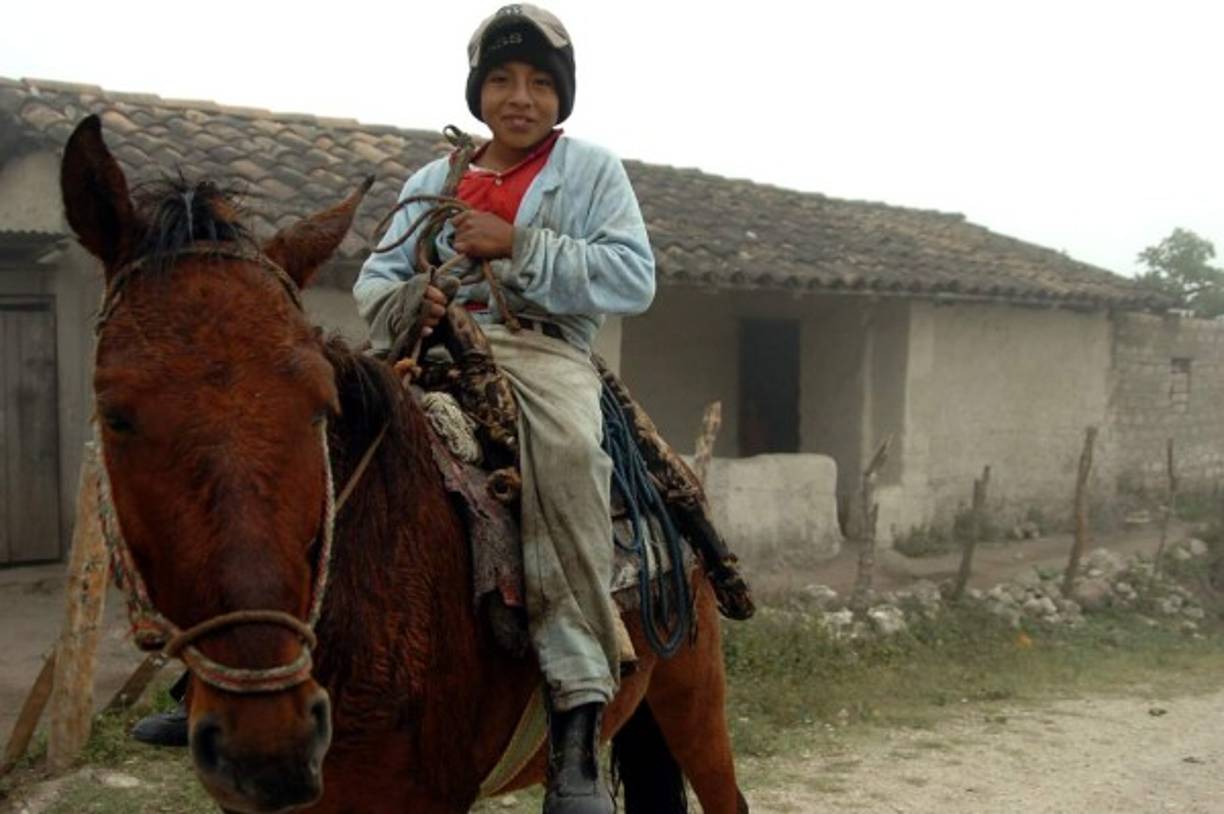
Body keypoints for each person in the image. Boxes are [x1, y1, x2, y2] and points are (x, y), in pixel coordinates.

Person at [355, 6, 653, 812]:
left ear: (562, 98)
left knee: (564, 460)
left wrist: (518, 245)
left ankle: (578, 718)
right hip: (434, 347)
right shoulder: (434, 179)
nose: (519, 97)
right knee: (320, 433)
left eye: (538, 84)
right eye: (501, 80)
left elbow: (633, 279)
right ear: (478, 91)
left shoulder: (589, 171)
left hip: (540, 352)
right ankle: (228, 672)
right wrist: (412, 300)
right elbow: (373, 280)